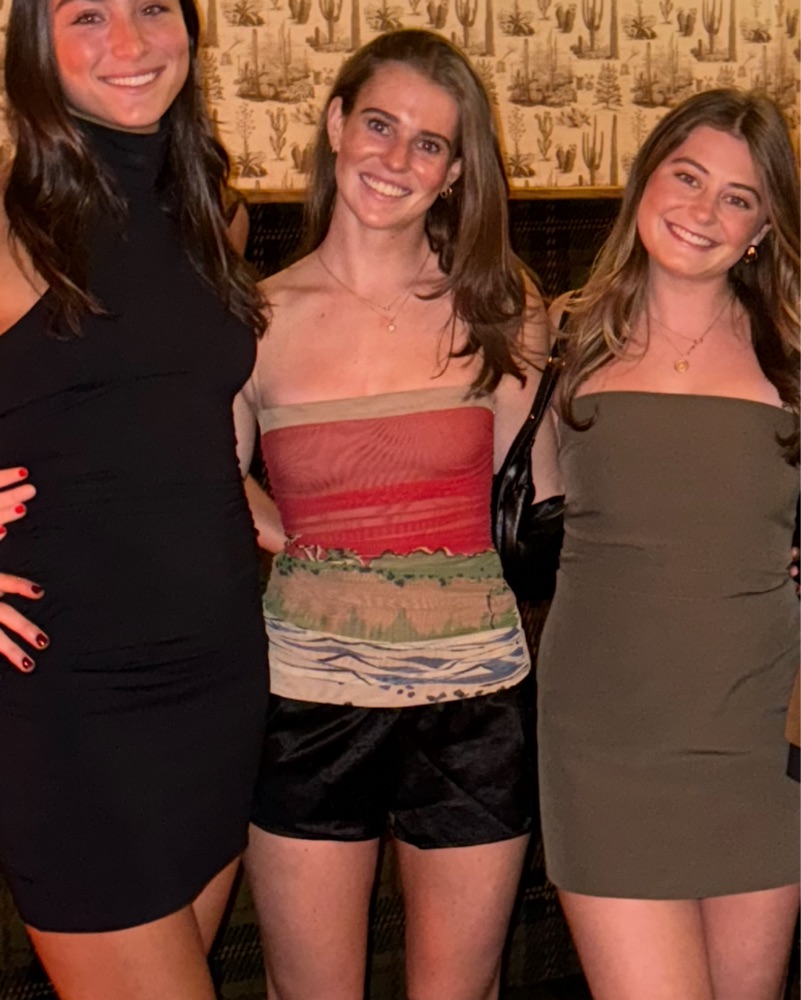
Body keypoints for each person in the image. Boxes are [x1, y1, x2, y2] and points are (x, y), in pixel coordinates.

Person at [235, 29, 560, 1000]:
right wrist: (293, 533)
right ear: (336, 124)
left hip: (476, 704)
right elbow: (200, 477)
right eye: (379, 125)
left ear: (456, 171)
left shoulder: (502, 306)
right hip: (304, 702)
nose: (396, 159)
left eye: (429, 143)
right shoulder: (253, 318)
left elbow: (542, 497)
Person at [0, 1, 268, 996]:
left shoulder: (213, 215)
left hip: (219, 678)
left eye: (153, 6)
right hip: (73, 698)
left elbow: (170, 419)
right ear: (37, 45)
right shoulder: (11, 224)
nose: (130, 41)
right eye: (88, 15)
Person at [539, 89, 800, 1000]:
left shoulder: (792, 349)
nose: (703, 210)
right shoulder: (556, 336)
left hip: (761, 737)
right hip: (604, 741)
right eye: (686, 176)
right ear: (644, 177)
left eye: (737, 197)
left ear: (761, 228)